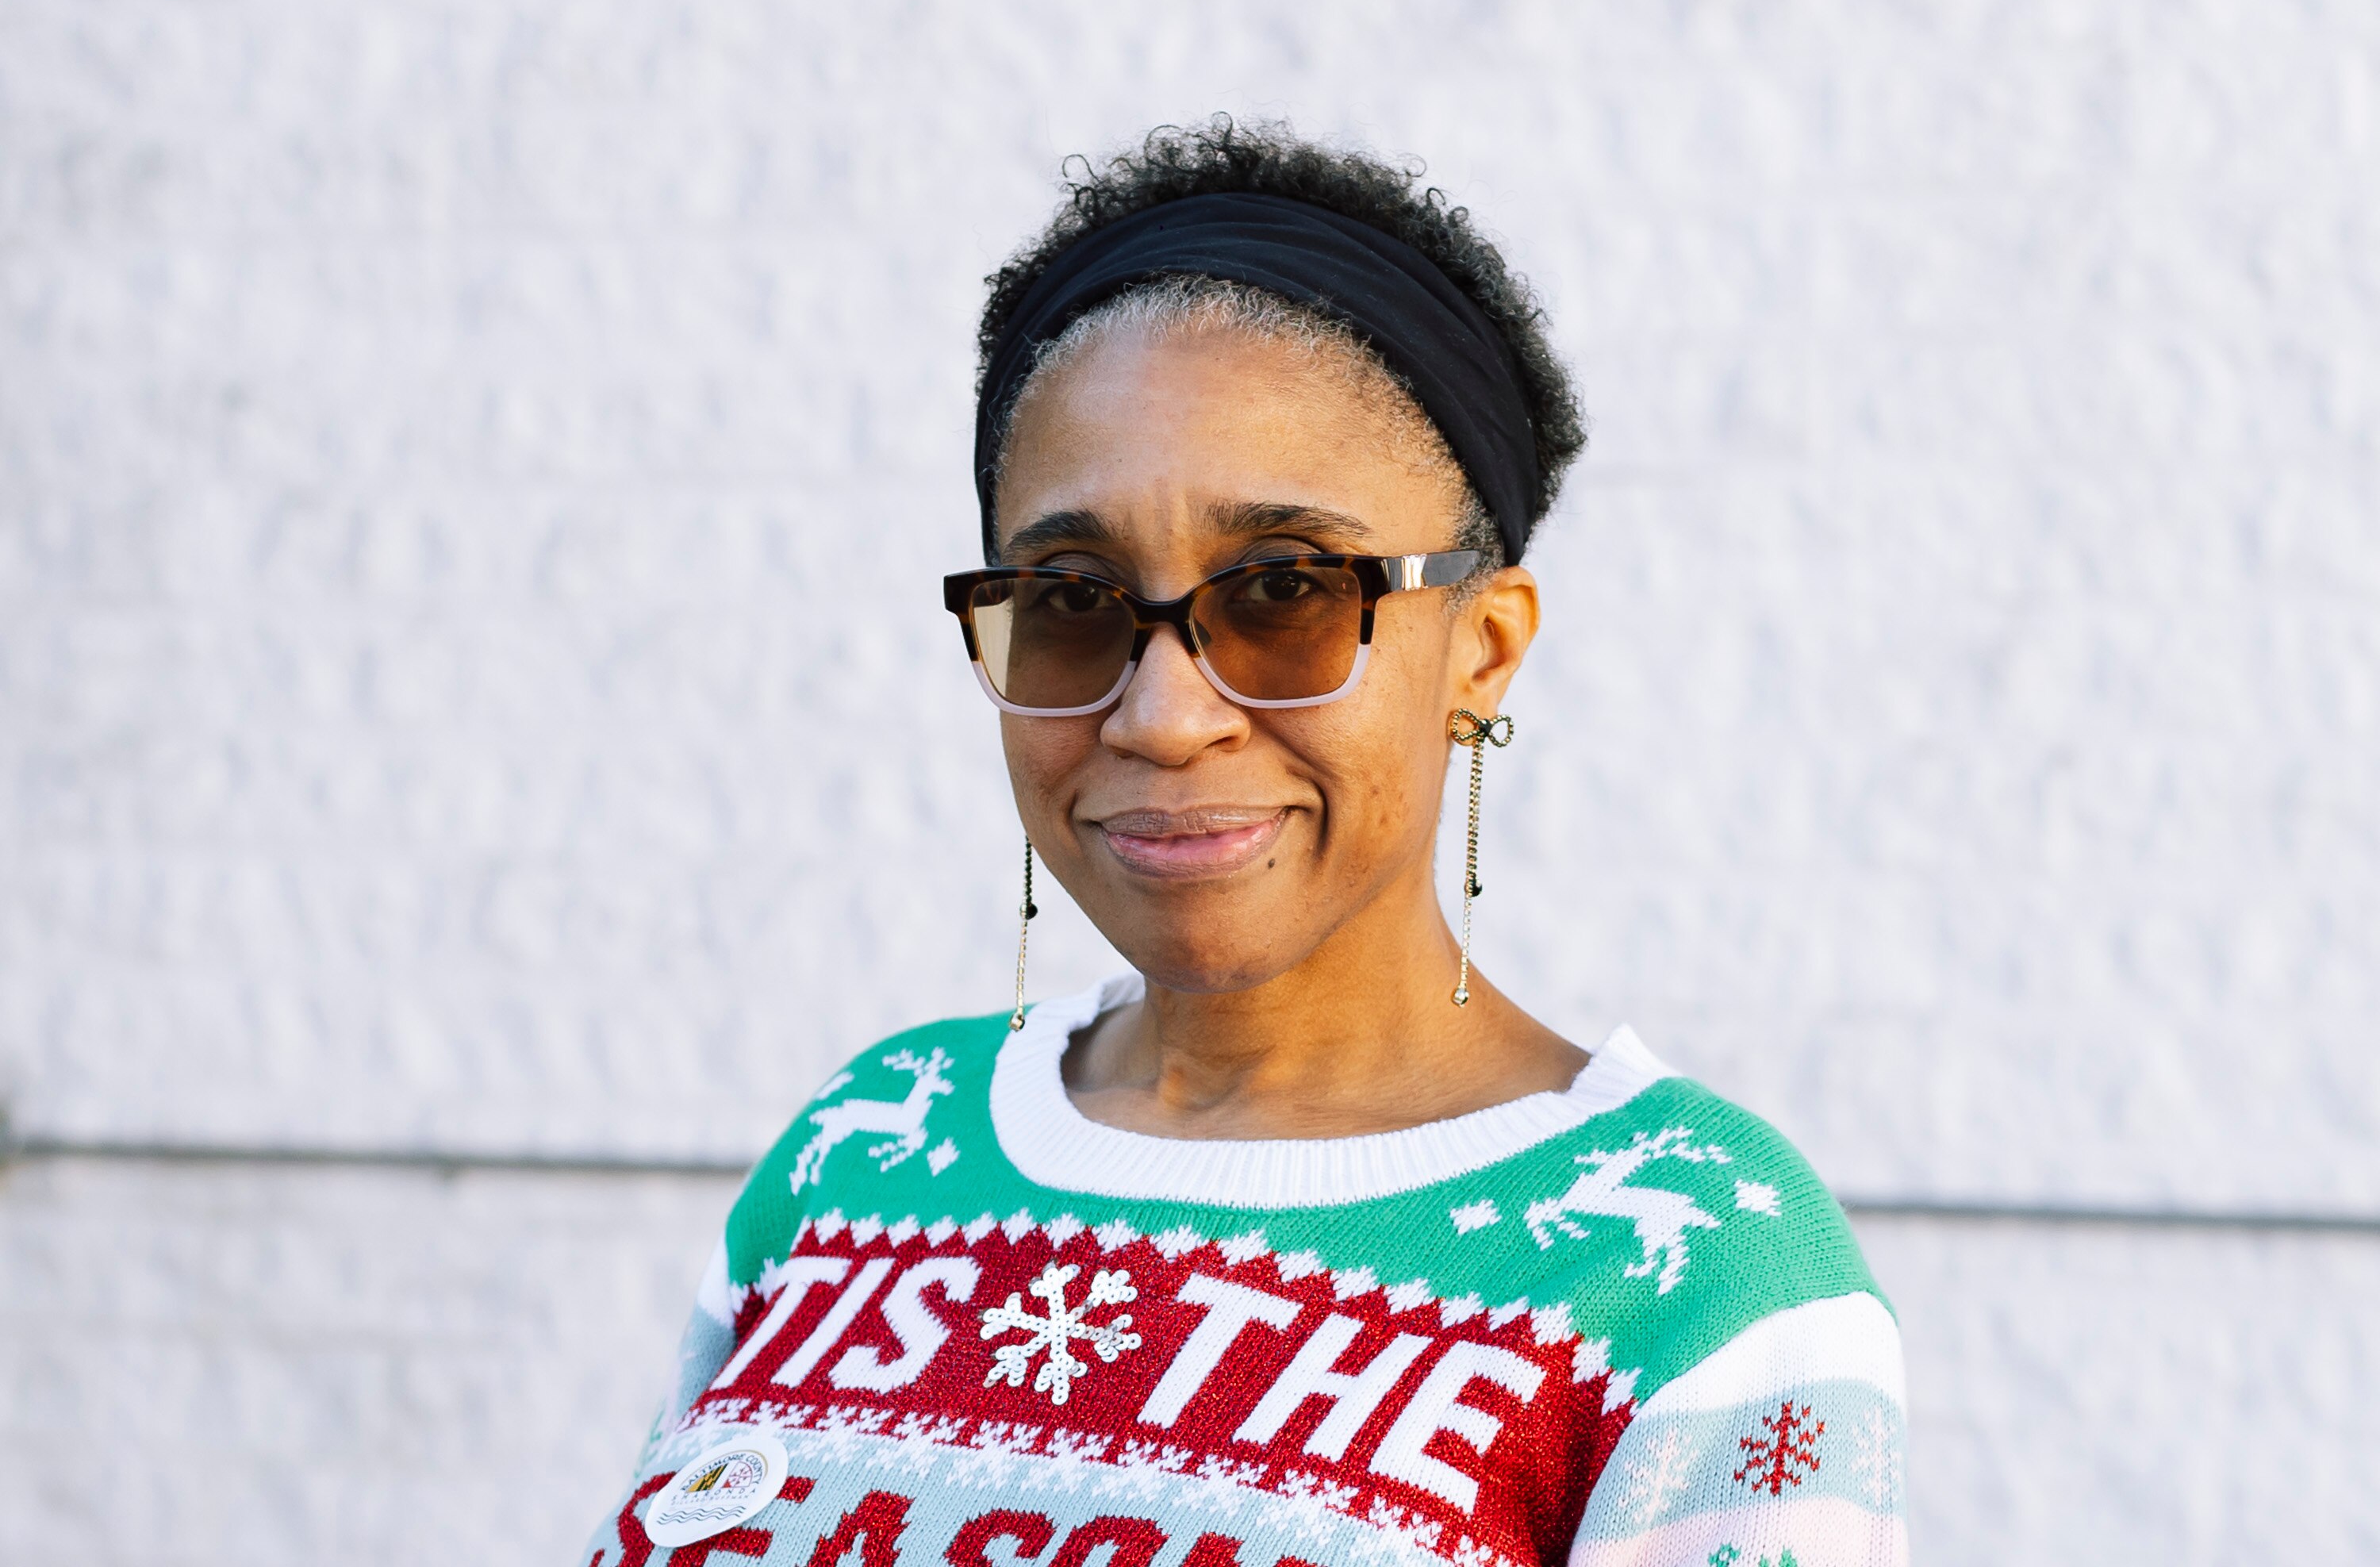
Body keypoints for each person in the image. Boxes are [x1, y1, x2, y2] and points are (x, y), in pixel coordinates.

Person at [584, 120, 1908, 1567]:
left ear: (1484, 648)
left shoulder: (1701, 1272)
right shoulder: (861, 1152)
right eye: (1075, 598)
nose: (1163, 714)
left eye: (1284, 589)